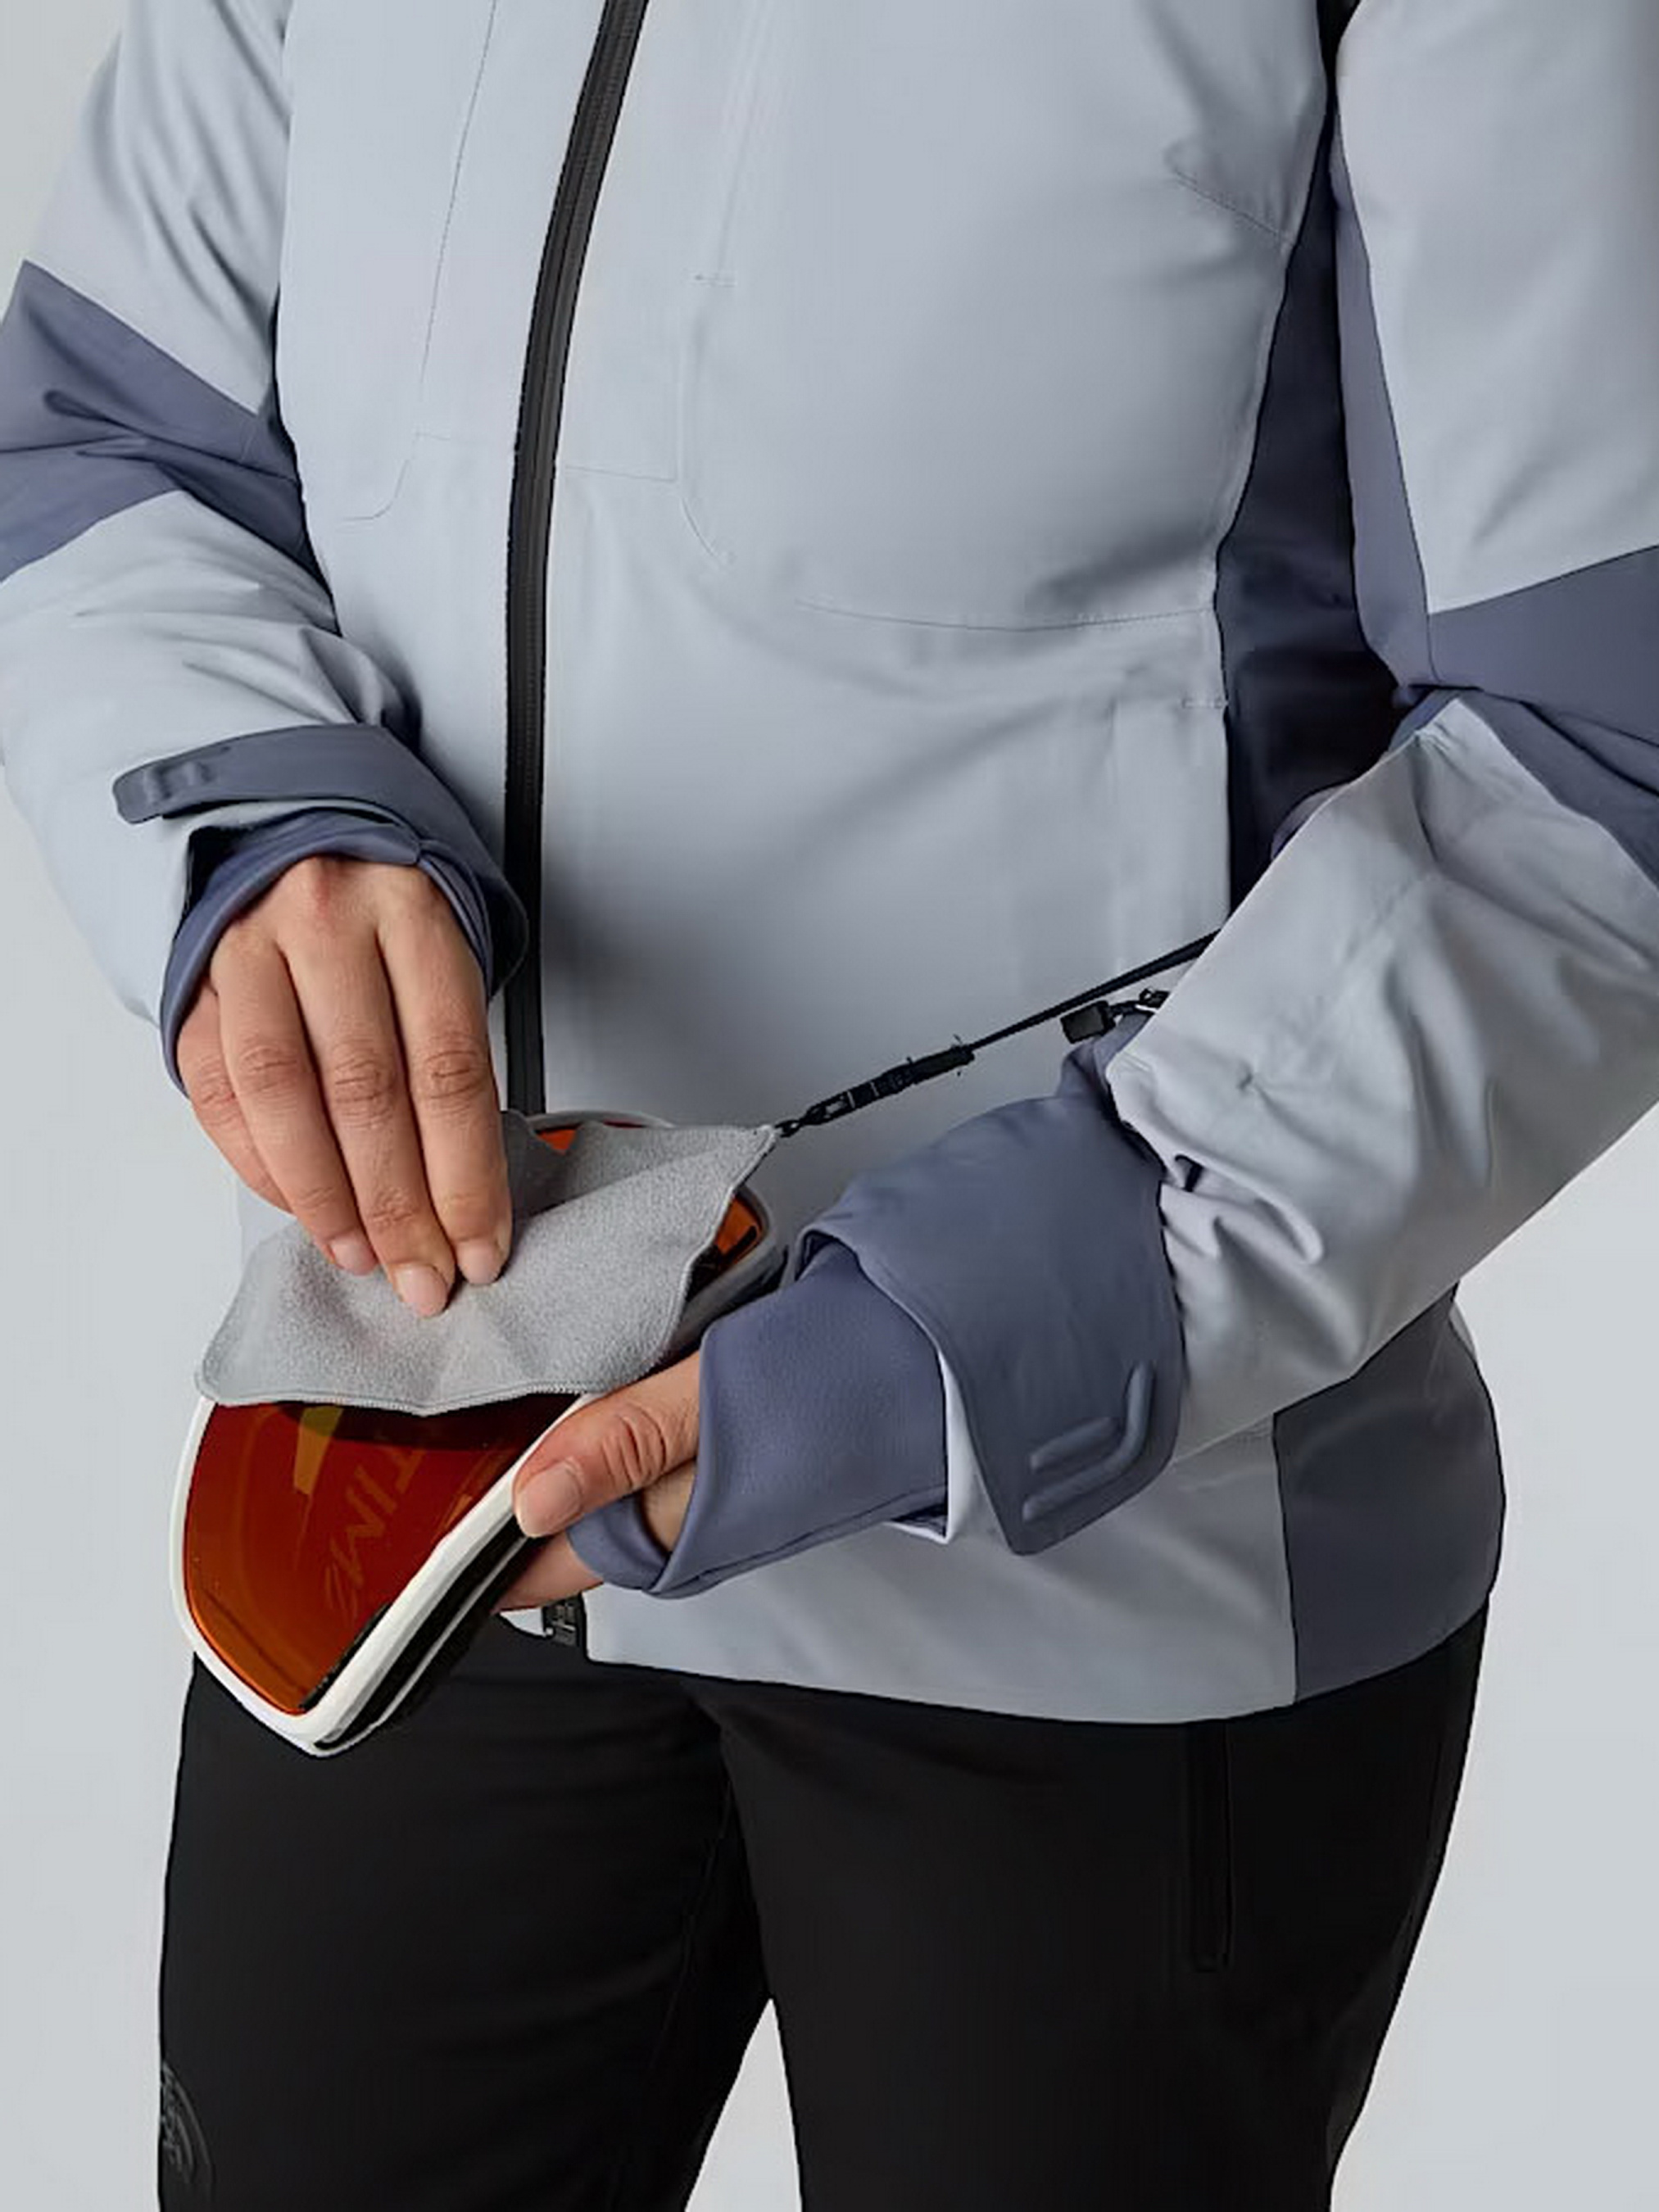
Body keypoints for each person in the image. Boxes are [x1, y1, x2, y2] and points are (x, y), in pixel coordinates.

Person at [2, 0, 1652, 2203]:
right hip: (425, 1486)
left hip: (1116, 1556)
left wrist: (990, 1326)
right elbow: (112, 433)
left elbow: (1598, 752)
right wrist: (251, 817)